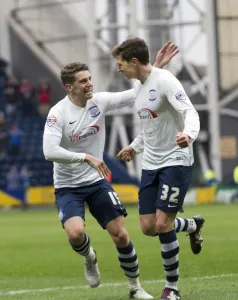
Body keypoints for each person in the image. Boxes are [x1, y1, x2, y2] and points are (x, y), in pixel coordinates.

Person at [43, 41, 178, 299]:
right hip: (68, 186)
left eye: (90, 78)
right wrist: (86, 158)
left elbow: (134, 94)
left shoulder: (100, 102)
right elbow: (49, 151)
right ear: (70, 87)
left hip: (96, 182)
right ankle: (89, 256)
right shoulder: (57, 113)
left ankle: (135, 287)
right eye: (83, 81)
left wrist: (156, 67)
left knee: (121, 235)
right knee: (75, 233)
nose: (90, 84)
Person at [112, 37, 204, 300]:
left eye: (121, 64)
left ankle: (171, 289)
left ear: (133, 61)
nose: (119, 68)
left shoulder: (166, 81)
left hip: (176, 160)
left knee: (163, 224)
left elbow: (191, 112)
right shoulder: (139, 86)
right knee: (148, 227)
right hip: (151, 164)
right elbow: (149, 126)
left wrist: (188, 134)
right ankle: (192, 226)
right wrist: (133, 147)